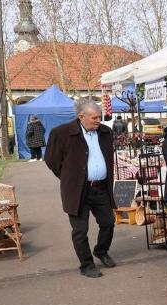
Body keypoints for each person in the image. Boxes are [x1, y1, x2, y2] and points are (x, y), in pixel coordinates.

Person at [45, 100, 116, 278]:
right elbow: (51, 160)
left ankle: (101, 250)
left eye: (99, 117)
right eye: (94, 117)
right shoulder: (62, 133)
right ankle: (86, 264)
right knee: (80, 230)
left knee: (108, 222)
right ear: (81, 116)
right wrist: (69, 178)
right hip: (77, 190)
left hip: (101, 188)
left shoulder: (106, 132)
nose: (98, 120)